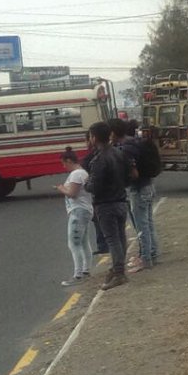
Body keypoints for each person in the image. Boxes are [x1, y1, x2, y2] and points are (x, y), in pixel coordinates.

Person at [86, 121, 136, 291]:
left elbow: (95, 186)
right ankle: (118, 268)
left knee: (112, 239)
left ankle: (119, 273)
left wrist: (87, 184)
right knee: (121, 237)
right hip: (121, 200)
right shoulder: (119, 153)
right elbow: (130, 176)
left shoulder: (99, 159)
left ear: (94, 137)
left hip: (105, 204)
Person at [122, 120, 161, 271]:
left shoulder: (130, 148)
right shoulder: (144, 145)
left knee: (141, 225)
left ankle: (145, 259)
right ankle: (152, 253)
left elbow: (134, 173)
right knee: (148, 223)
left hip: (138, 189)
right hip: (149, 185)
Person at [54, 147, 94, 287]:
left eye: (64, 163)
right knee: (83, 241)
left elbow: (72, 193)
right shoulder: (83, 173)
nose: (63, 166)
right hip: (85, 210)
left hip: (78, 211)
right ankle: (86, 270)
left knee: (74, 243)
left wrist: (61, 188)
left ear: (69, 161)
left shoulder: (76, 174)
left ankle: (77, 274)